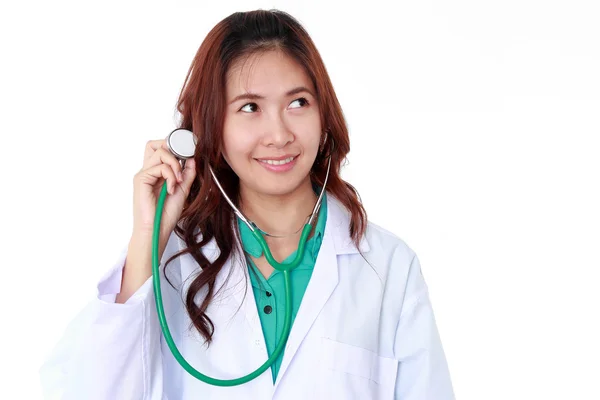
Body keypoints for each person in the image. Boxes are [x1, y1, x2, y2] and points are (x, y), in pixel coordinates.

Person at [39, 9, 454, 399]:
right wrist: (149, 238)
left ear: (324, 114)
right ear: (210, 126)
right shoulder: (173, 263)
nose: (278, 134)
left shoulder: (389, 268)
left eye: (298, 103)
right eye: (250, 107)